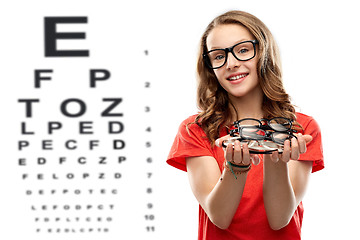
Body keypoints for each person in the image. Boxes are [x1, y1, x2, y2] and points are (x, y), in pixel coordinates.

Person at [166, 10, 324, 240]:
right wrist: (236, 168)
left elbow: (280, 219)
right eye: (218, 56)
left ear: (264, 53)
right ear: (210, 67)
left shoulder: (301, 128)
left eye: (242, 50)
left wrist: (276, 159)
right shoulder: (195, 129)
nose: (231, 63)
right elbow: (219, 216)